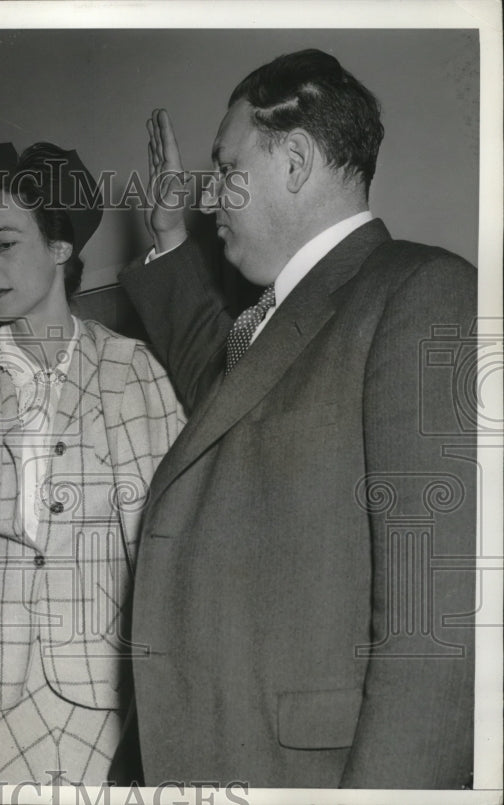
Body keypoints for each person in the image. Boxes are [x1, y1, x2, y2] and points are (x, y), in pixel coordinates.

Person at [120, 49, 476, 788]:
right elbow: (224, 396)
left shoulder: (423, 295)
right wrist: (168, 241)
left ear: (295, 160)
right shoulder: (275, 320)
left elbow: (435, 633)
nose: (210, 197)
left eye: (225, 169)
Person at [0, 142, 186, 785]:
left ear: (59, 250)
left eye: (5, 245)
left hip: (110, 708)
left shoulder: (136, 374)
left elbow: (177, 561)